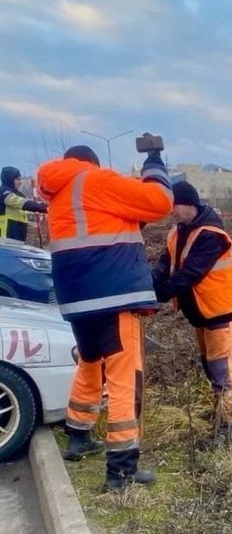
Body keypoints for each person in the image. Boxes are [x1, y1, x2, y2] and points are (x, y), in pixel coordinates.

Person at [37, 143, 173, 491]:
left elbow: (104, 227)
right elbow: (158, 201)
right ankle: (121, 470)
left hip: (78, 300)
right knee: (124, 377)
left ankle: (79, 436)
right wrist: (154, 162)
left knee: (90, 363)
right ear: (91, 163)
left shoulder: (59, 194)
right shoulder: (95, 180)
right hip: (114, 296)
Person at [151, 181, 232, 445]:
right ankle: (220, 412)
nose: (171, 212)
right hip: (200, 312)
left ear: (188, 203)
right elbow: (166, 262)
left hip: (217, 312)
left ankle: (228, 428)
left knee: (223, 370)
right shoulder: (179, 231)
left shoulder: (210, 235)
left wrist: (158, 295)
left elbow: (190, 274)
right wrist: (152, 280)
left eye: (174, 206)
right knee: (209, 365)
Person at [0, 166, 48, 242]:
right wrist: (44, 208)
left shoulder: (18, 194)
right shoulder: (3, 193)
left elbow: (29, 204)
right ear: (9, 179)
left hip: (17, 234)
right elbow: (24, 203)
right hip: (6, 236)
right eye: (17, 179)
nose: (20, 182)